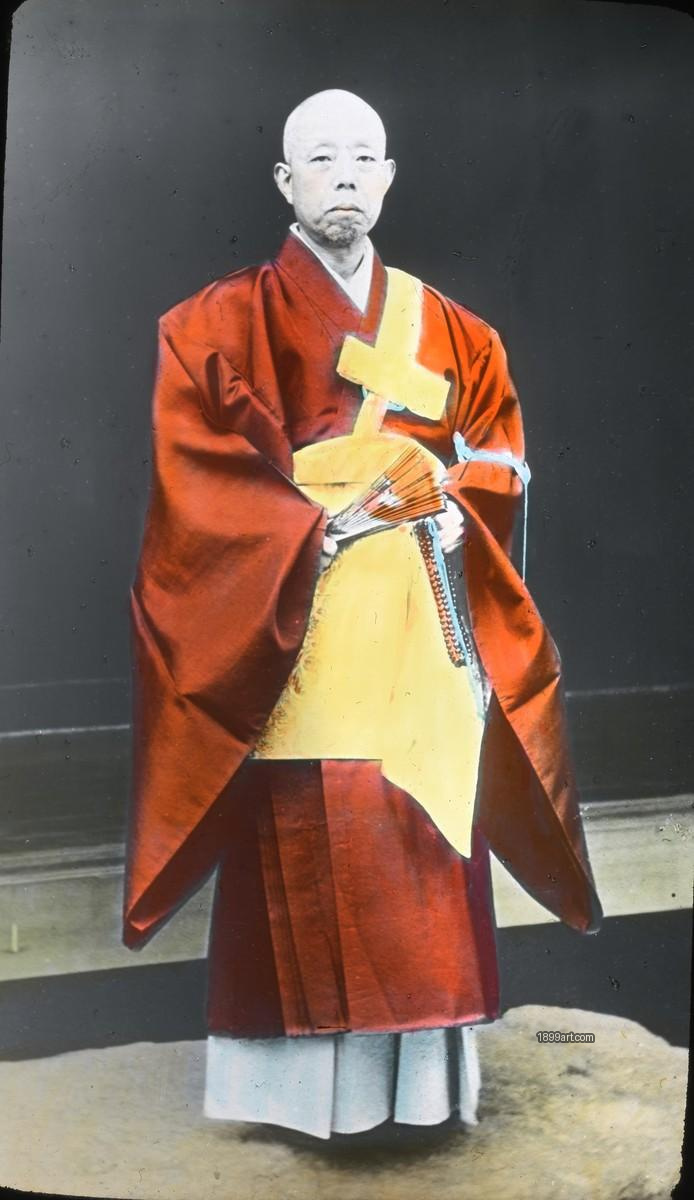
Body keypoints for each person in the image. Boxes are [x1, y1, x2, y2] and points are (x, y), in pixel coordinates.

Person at [123, 89, 602, 1140]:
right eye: (320, 158)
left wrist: (430, 496)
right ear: (285, 183)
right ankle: (297, 1106)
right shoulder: (212, 327)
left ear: (387, 179)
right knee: (304, 835)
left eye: (362, 158)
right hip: (293, 632)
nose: (344, 175)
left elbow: (499, 463)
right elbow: (198, 490)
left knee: (418, 840)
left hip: (416, 639)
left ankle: (422, 1096)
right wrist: (316, 527)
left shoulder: (457, 334)